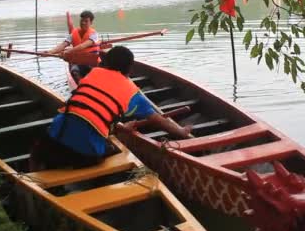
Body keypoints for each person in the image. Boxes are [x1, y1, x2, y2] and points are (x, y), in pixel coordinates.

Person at [29, 46, 193, 170]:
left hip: (53, 140)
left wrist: (119, 126)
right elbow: (156, 118)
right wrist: (180, 132)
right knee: (109, 148)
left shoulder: (93, 74)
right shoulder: (131, 92)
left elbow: (92, 109)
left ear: (105, 63)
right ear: (129, 69)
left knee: (40, 150)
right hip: (85, 154)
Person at [46, 10, 99, 82]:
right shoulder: (73, 33)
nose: (83, 23)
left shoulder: (94, 34)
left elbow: (82, 46)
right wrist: (50, 52)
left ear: (91, 23)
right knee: (74, 71)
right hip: (78, 61)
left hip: (91, 62)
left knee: (94, 71)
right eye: (82, 20)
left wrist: (68, 51)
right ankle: (80, 84)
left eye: (86, 21)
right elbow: (63, 44)